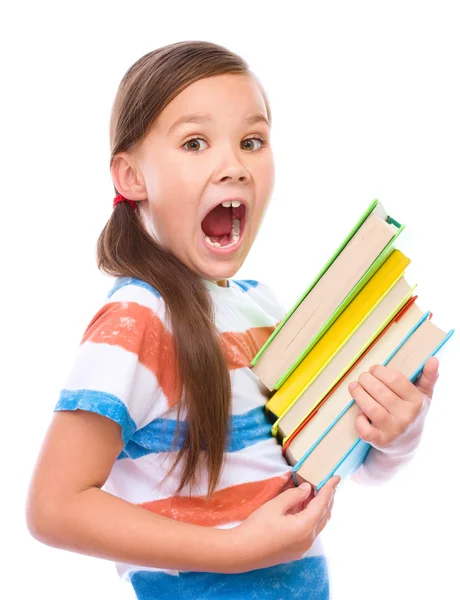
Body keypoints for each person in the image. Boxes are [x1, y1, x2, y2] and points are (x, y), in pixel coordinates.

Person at [25, 40, 440, 600]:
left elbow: (329, 465)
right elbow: (53, 508)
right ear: (131, 176)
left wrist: (395, 435)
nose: (235, 167)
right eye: (195, 143)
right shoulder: (138, 320)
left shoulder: (260, 308)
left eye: (252, 141)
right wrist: (237, 549)